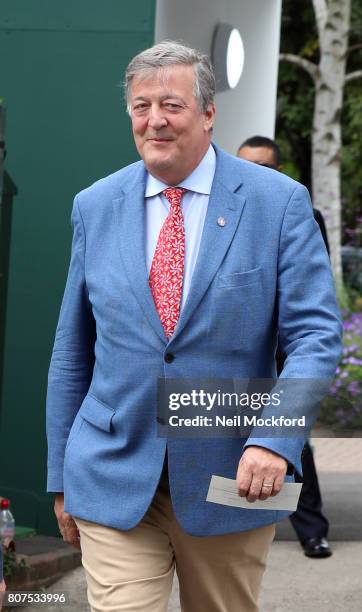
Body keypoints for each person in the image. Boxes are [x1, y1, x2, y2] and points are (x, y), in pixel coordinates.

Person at [46, 41, 342, 612]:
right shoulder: (95, 204)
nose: (154, 119)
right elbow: (71, 350)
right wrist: (61, 473)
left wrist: (276, 441)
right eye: (140, 106)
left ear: (208, 114)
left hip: (233, 466)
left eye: (172, 105)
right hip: (111, 466)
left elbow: (315, 338)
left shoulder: (278, 202)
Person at [238, 135, 334, 558]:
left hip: (284, 353)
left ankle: (310, 529)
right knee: (221, 430)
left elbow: (314, 293)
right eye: (244, 165)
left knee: (291, 439)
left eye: (261, 165)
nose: (251, 173)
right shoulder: (222, 211)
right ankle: (245, 518)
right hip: (238, 355)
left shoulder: (299, 211)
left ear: (278, 170)